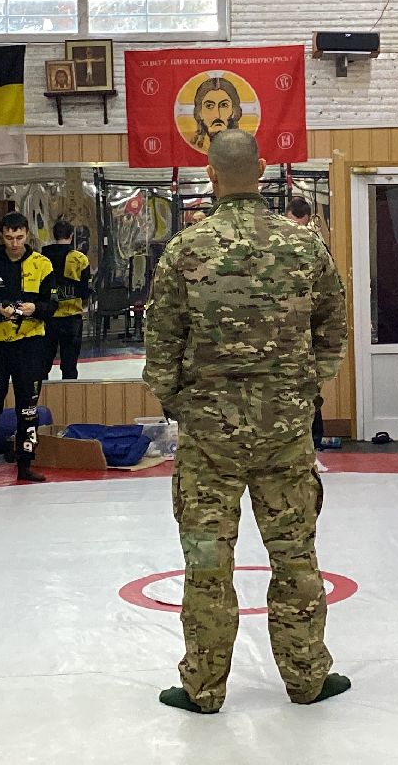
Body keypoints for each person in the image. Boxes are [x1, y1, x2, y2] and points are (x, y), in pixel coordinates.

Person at [144, 129, 350, 714]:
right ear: (261, 171)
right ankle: (308, 678)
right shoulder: (305, 246)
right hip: (285, 430)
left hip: (209, 436)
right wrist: (306, 386)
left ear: (210, 175)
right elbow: (333, 326)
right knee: (295, 556)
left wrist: (179, 401)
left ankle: (204, 688)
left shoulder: (186, 249)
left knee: (207, 562)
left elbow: (160, 344)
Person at [0, 213, 55, 485]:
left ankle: (25, 464)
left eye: (19, 237)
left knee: (28, 408)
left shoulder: (43, 264)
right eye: (8, 237)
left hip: (31, 346)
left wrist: (35, 308)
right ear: (1, 235)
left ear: (27, 234)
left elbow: (53, 307)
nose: (14, 243)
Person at [286, 195, 330, 452]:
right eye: (294, 224)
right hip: (280, 327)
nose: (297, 232)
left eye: (302, 226)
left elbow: (328, 293)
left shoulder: (315, 247)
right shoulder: (271, 244)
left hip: (307, 326)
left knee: (309, 387)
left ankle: (314, 441)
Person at [40, 220, 92, 380]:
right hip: (71, 318)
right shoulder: (80, 259)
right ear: (71, 236)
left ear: (53, 235)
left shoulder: (40, 259)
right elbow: (84, 291)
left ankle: (39, 399)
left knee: (42, 363)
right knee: (69, 365)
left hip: (46, 317)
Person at [188, 77, 243, 153]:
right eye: (209, 106)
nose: (217, 115)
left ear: (233, 111)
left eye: (224, 105)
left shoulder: (245, 146)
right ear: (199, 113)